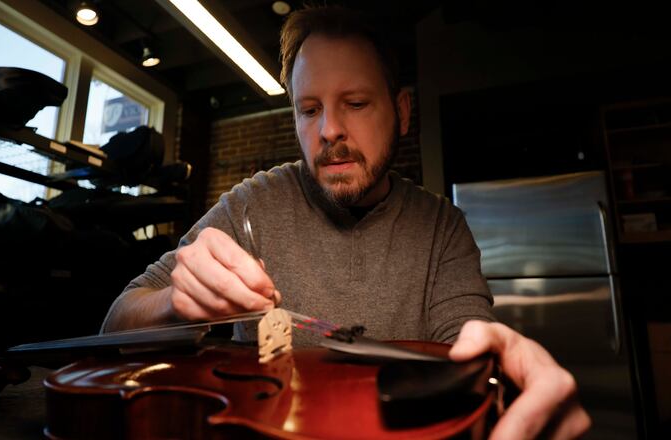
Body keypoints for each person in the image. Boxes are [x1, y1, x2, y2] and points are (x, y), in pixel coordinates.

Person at [101, 6, 590, 439]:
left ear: (401, 111)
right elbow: (116, 325)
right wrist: (174, 302)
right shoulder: (251, 203)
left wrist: (493, 363)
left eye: (355, 104)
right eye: (309, 110)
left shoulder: (442, 226)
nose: (329, 129)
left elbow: (466, 343)